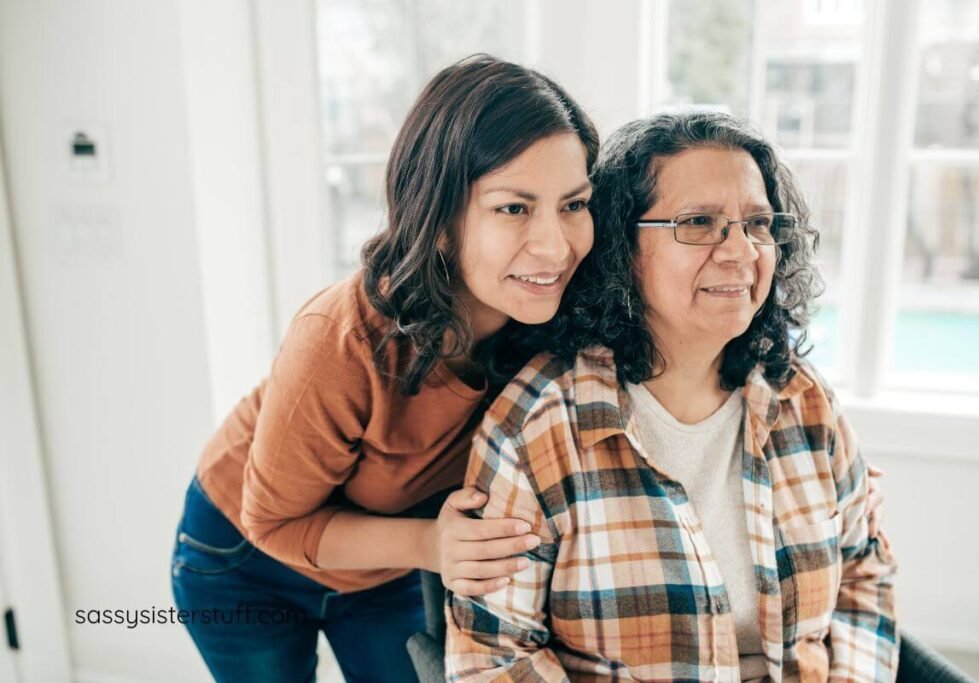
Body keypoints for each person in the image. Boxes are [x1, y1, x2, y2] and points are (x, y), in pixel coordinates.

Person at [170, 54, 599, 682]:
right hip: (246, 558)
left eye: (574, 204)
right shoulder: (340, 340)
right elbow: (274, 521)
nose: (556, 246)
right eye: (514, 208)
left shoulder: (554, 326)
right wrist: (430, 544)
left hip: (388, 563)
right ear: (439, 217)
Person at [446, 111, 898, 681]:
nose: (741, 252)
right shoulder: (537, 428)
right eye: (699, 222)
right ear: (622, 247)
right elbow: (493, 658)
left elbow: (864, 577)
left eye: (758, 223)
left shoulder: (805, 400)